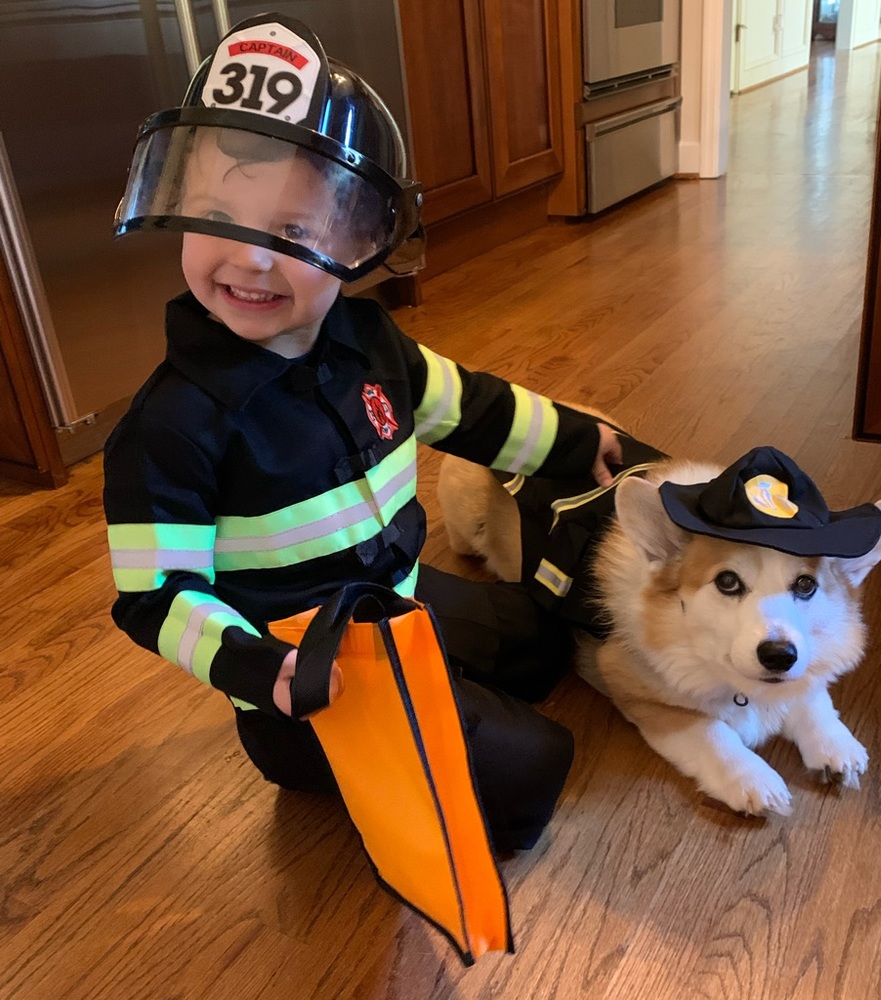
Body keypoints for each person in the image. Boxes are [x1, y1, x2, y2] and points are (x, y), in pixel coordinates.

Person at [103, 13, 622, 854]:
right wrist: (251, 667)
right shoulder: (170, 429)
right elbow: (152, 597)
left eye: (295, 232)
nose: (252, 259)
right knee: (535, 772)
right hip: (313, 681)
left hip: (395, 594)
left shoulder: (368, 340)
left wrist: (568, 440)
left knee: (537, 641)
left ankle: (447, 693)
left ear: (358, 240)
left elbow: (466, 405)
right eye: (216, 215)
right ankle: (359, 761)